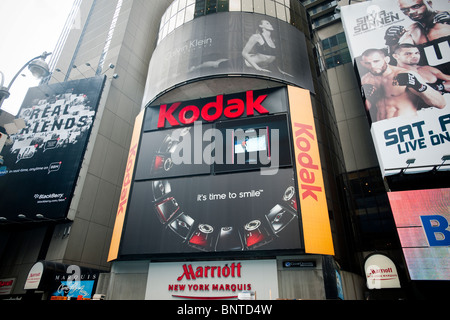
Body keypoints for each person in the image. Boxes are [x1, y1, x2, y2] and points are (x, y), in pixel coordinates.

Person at [359, 48, 446, 121]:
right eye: (368, 63)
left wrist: (419, 86)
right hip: (383, 126)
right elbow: (366, 110)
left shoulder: (405, 74)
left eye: (376, 61)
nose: (373, 66)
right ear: (363, 64)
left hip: (406, 123)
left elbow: (441, 104)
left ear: (386, 60)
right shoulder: (366, 79)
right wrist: (366, 98)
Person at [384, 0, 450, 48]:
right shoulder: (411, 31)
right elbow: (400, 59)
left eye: (416, 6)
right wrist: (391, 42)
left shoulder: (446, 17)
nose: (411, 12)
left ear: (429, 3)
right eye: (405, 10)